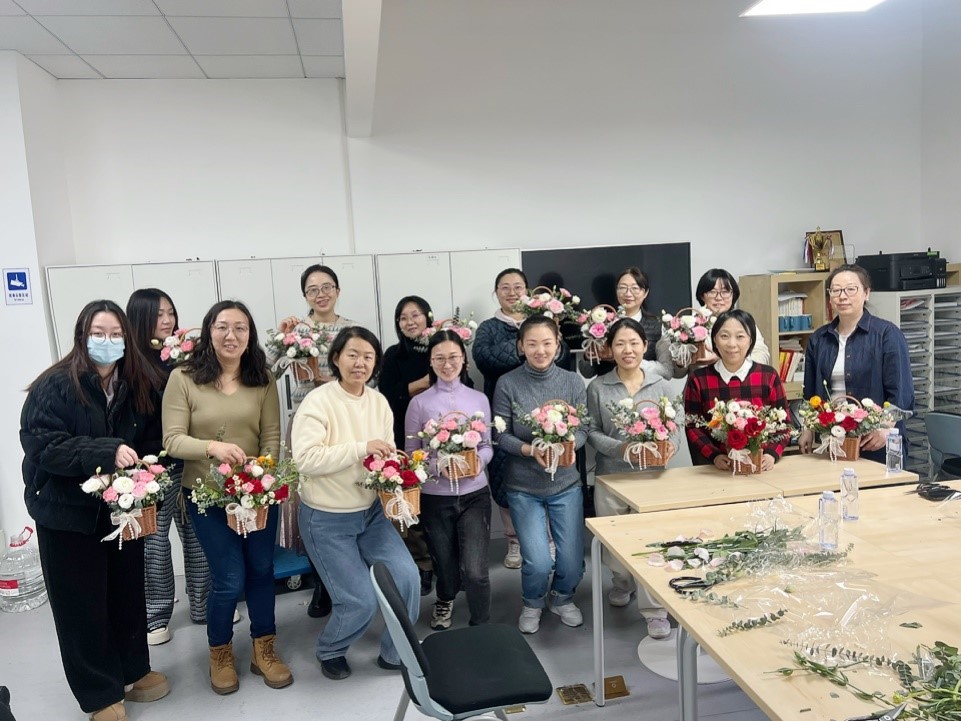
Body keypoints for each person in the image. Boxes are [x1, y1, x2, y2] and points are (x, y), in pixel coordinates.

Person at [20, 300, 170, 721]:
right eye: (99, 334)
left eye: (116, 334)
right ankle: (99, 692)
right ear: (82, 338)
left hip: (121, 511)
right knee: (81, 607)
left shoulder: (137, 384)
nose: (108, 342)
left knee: (127, 595)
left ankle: (134, 671)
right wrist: (106, 451)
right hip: (66, 514)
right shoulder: (55, 385)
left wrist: (150, 478)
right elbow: (43, 445)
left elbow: (153, 440)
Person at [162, 300, 291, 695]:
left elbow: (271, 436)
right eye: (222, 327)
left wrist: (261, 478)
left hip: (256, 493)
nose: (231, 335)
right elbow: (172, 440)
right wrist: (212, 448)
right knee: (229, 577)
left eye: (240, 327)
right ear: (208, 331)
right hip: (206, 496)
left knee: (262, 569)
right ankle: (219, 652)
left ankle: (263, 649)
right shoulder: (184, 378)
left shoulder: (262, 377)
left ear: (250, 334)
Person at [291, 326, 420, 681]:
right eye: (352, 354)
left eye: (367, 356)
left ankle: (396, 652)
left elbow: (385, 455)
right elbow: (306, 460)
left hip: (372, 514)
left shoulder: (378, 402)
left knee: (408, 578)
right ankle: (330, 649)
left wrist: (398, 477)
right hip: (326, 518)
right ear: (336, 358)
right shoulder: (318, 402)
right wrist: (361, 448)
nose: (360, 363)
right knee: (359, 599)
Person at [266, 264, 355, 618]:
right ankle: (321, 582)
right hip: (305, 426)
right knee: (311, 506)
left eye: (327, 287)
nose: (321, 294)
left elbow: (362, 379)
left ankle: (346, 581)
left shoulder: (351, 331)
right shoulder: (295, 332)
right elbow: (266, 372)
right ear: (305, 295)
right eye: (312, 289)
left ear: (338, 290)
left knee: (344, 502)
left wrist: (323, 378)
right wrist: (280, 338)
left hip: (343, 425)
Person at [492, 315, 588, 634]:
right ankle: (532, 603)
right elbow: (500, 434)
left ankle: (562, 597)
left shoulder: (573, 382)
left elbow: (584, 428)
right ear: (521, 346)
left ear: (557, 344)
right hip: (523, 486)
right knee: (538, 560)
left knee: (571, 559)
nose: (540, 350)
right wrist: (529, 449)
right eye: (532, 344)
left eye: (547, 343)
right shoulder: (507, 383)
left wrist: (568, 444)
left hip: (566, 483)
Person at [126, 288, 211, 646]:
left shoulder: (182, 357)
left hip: (189, 459)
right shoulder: (130, 363)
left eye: (170, 313)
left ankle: (204, 604)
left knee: (198, 533)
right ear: (140, 318)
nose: (167, 320)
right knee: (155, 543)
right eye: (158, 314)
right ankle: (156, 615)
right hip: (151, 468)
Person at [586, 318, 677, 639]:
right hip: (612, 478)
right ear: (609, 349)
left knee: (653, 545)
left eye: (634, 343)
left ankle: (655, 611)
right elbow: (591, 431)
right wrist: (621, 449)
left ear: (645, 346)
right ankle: (622, 582)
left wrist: (669, 448)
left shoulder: (661, 385)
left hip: (653, 478)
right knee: (617, 548)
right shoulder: (598, 387)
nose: (628, 350)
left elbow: (675, 426)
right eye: (620, 344)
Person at [473, 268, 569, 570]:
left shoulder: (545, 322)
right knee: (504, 478)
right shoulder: (489, 327)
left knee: (548, 474)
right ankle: (513, 539)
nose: (512, 292)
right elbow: (484, 359)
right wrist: (525, 339)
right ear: (496, 292)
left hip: (549, 412)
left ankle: (547, 537)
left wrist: (534, 337)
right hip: (505, 411)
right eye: (505, 287)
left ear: (527, 291)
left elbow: (562, 356)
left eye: (518, 286)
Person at [405, 330, 494, 630]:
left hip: (474, 494)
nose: (447, 364)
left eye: (453, 357)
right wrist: (436, 467)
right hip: (435, 496)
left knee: (476, 570)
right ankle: (445, 598)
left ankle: (482, 624)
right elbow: (412, 454)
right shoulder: (419, 404)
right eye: (439, 358)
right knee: (444, 563)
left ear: (464, 359)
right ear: (430, 362)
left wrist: (478, 462)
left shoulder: (478, 398)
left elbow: (487, 446)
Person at [799, 264, 913, 462]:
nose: (842, 296)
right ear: (830, 297)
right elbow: (810, 394)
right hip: (833, 439)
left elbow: (902, 393)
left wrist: (885, 428)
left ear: (866, 293)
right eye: (836, 290)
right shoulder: (819, 339)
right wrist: (807, 429)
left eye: (851, 289)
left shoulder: (887, 334)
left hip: (877, 440)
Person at [379, 295, 437, 596]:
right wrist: (421, 385)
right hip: (404, 436)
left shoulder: (441, 348)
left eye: (415, 315)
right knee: (409, 505)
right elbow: (386, 393)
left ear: (428, 317)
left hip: (441, 437)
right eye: (403, 317)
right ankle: (422, 563)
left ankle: (445, 561)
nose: (410, 321)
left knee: (438, 505)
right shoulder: (392, 355)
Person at [684, 309, 789, 471]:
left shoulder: (768, 376)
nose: (732, 344)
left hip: (761, 465)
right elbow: (692, 426)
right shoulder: (698, 379)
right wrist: (714, 456)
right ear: (714, 340)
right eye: (724, 336)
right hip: (717, 468)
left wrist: (771, 454)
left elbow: (784, 424)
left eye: (740, 336)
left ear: (751, 340)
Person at [659, 268, 771, 378]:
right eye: (712, 292)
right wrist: (680, 362)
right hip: (700, 386)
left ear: (733, 295)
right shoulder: (688, 325)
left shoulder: (744, 322)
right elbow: (678, 373)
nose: (719, 298)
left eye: (725, 292)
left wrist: (722, 359)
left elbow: (762, 356)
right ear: (702, 295)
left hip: (740, 385)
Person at [580, 267, 666, 379]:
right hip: (607, 386)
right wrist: (589, 356)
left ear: (645, 293)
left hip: (645, 386)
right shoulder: (602, 324)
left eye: (635, 288)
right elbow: (586, 373)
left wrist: (628, 360)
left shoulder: (657, 327)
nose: (628, 293)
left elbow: (666, 371)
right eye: (622, 288)